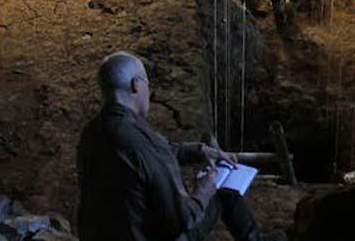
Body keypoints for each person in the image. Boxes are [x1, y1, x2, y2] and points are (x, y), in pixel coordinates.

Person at [77, 52, 277, 241]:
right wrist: (203, 191)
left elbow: (148, 155)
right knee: (224, 190)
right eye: (147, 83)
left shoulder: (91, 133)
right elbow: (180, 220)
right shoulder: (142, 141)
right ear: (136, 85)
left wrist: (200, 150)